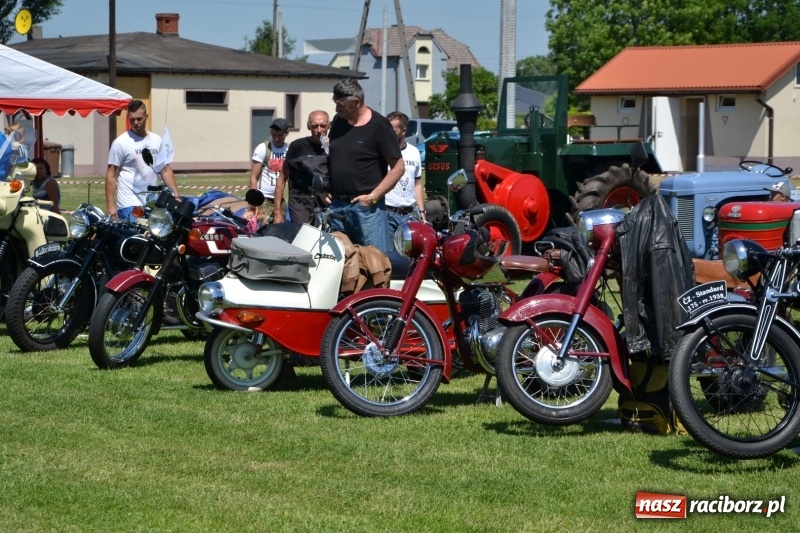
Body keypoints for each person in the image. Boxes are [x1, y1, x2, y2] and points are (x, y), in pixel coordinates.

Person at [326, 78, 404, 254]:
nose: (337, 110)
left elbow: (398, 169)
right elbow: (331, 157)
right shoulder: (338, 121)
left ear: (356, 102)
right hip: (337, 208)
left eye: (340, 105)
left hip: (366, 210)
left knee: (375, 263)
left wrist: (372, 197)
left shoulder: (379, 126)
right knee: (338, 265)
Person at [106, 100, 180, 221]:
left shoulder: (156, 140)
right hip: (129, 204)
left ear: (146, 117)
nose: (135, 123)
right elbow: (111, 175)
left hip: (152, 203)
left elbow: (165, 170)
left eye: (139, 119)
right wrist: (110, 206)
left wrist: (176, 196)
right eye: (132, 119)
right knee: (135, 237)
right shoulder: (120, 143)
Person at [274, 110, 330, 224]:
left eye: (323, 126)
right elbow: (282, 178)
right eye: (315, 126)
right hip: (300, 201)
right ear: (308, 126)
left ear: (329, 126)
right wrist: (277, 212)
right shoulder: (297, 146)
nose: (319, 130)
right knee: (302, 235)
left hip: (325, 199)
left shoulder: (334, 147)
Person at [384, 111, 425, 237]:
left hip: (409, 214)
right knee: (388, 255)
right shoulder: (382, 152)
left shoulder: (414, 152)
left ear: (404, 131)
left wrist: (422, 212)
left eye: (394, 131)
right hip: (387, 214)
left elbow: (417, 183)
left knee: (409, 255)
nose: (389, 134)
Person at [250, 118, 290, 223]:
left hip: (280, 200)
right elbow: (254, 177)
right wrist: (253, 203)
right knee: (261, 232)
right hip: (263, 199)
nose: (276, 139)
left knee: (280, 232)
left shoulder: (289, 150)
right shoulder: (263, 148)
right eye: (273, 135)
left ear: (287, 133)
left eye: (280, 135)